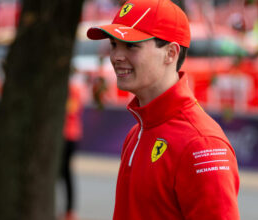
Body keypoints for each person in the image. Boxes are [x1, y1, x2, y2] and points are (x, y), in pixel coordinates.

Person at [86, 0, 240, 219]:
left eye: (131, 45)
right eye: (113, 44)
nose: (116, 57)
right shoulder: (138, 131)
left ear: (170, 53)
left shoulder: (201, 144)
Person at [60, 73, 84, 220]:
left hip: (68, 136)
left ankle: (69, 211)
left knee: (65, 173)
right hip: (65, 135)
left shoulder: (72, 90)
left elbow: (72, 109)